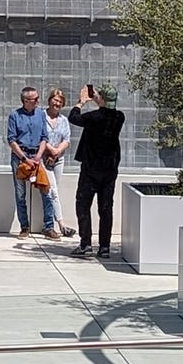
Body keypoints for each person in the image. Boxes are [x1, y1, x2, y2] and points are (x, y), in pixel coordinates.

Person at [68, 83, 125, 259]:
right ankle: (104, 247)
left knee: (83, 204)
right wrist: (97, 99)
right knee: (106, 207)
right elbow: (105, 111)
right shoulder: (119, 117)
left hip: (91, 168)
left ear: (102, 100)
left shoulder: (94, 117)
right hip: (110, 169)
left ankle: (85, 243)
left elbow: (73, 117)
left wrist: (81, 102)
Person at [6, 86, 57, 237]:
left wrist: (37, 157)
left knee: (45, 190)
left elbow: (44, 137)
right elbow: (11, 140)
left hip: (36, 156)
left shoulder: (40, 114)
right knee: (20, 193)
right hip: (20, 157)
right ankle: (24, 227)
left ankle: (49, 226)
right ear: (26, 101)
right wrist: (24, 158)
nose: (38, 101)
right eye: (35, 99)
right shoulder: (14, 116)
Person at [42, 89, 72, 236]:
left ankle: (52, 224)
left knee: (54, 191)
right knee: (52, 191)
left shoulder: (63, 120)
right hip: (43, 158)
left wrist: (56, 152)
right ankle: (60, 224)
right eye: (55, 100)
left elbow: (66, 140)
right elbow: (38, 136)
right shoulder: (41, 117)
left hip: (58, 159)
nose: (57, 103)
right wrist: (50, 151)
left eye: (60, 102)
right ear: (49, 100)